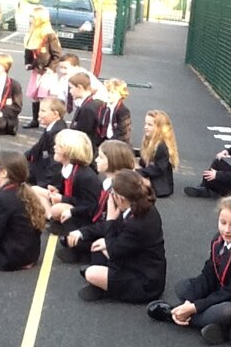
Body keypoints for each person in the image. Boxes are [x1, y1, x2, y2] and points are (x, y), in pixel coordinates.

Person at [147, 194, 231, 345]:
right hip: (222, 291)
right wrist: (191, 301)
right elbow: (208, 275)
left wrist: (195, 307)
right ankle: (211, 324)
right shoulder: (219, 240)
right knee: (183, 287)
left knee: (224, 311)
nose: (226, 230)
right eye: (223, 222)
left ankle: (173, 314)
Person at [78, 169, 166, 303]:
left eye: (112, 193)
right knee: (99, 246)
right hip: (138, 261)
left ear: (120, 198)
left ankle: (107, 288)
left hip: (145, 283)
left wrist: (110, 219)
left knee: (92, 273)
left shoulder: (136, 223)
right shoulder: (142, 207)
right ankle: (106, 283)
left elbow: (113, 253)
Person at [57, 138, 136, 263]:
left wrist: (83, 232)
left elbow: (111, 224)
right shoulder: (106, 182)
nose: (96, 160)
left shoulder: (119, 191)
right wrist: (73, 212)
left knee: (78, 240)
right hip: (99, 223)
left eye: (101, 157)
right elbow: (95, 207)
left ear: (113, 161)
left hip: (110, 230)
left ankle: (86, 254)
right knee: (69, 221)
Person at [31, 129, 101, 234]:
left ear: (69, 151)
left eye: (59, 146)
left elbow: (91, 205)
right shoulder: (66, 168)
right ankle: (51, 219)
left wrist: (63, 199)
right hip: (70, 203)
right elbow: (66, 189)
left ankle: (58, 220)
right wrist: (57, 190)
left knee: (56, 209)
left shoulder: (85, 176)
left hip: (82, 213)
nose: (54, 147)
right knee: (34, 190)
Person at [23, 5, 63, 129]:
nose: (30, 19)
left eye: (32, 17)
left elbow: (57, 54)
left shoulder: (50, 35)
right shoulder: (32, 33)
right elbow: (28, 50)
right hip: (37, 70)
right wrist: (28, 62)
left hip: (47, 72)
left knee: (45, 97)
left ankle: (49, 122)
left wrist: (51, 68)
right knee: (35, 96)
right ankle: (35, 120)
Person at [25, 97, 67, 187]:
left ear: (55, 114)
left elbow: (55, 164)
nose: (39, 114)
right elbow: (36, 148)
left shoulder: (57, 134)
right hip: (40, 169)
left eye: (43, 111)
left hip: (44, 176)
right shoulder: (51, 128)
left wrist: (42, 185)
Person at [137, 110, 178, 197]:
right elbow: (143, 160)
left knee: (129, 178)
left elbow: (158, 168)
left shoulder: (162, 146)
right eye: (146, 124)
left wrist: (140, 172)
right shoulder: (149, 141)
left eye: (150, 125)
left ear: (159, 128)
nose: (145, 127)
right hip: (151, 178)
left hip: (159, 186)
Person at [68, 71, 106, 153]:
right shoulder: (89, 103)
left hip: (84, 150)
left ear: (79, 87)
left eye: (71, 88)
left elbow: (84, 134)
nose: (70, 91)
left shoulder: (87, 108)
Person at [98, 78, 132, 145]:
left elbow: (122, 132)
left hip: (118, 144)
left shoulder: (123, 111)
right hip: (103, 141)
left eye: (112, 93)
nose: (109, 95)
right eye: (108, 91)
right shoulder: (103, 107)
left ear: (120, 95)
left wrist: (108, 144)